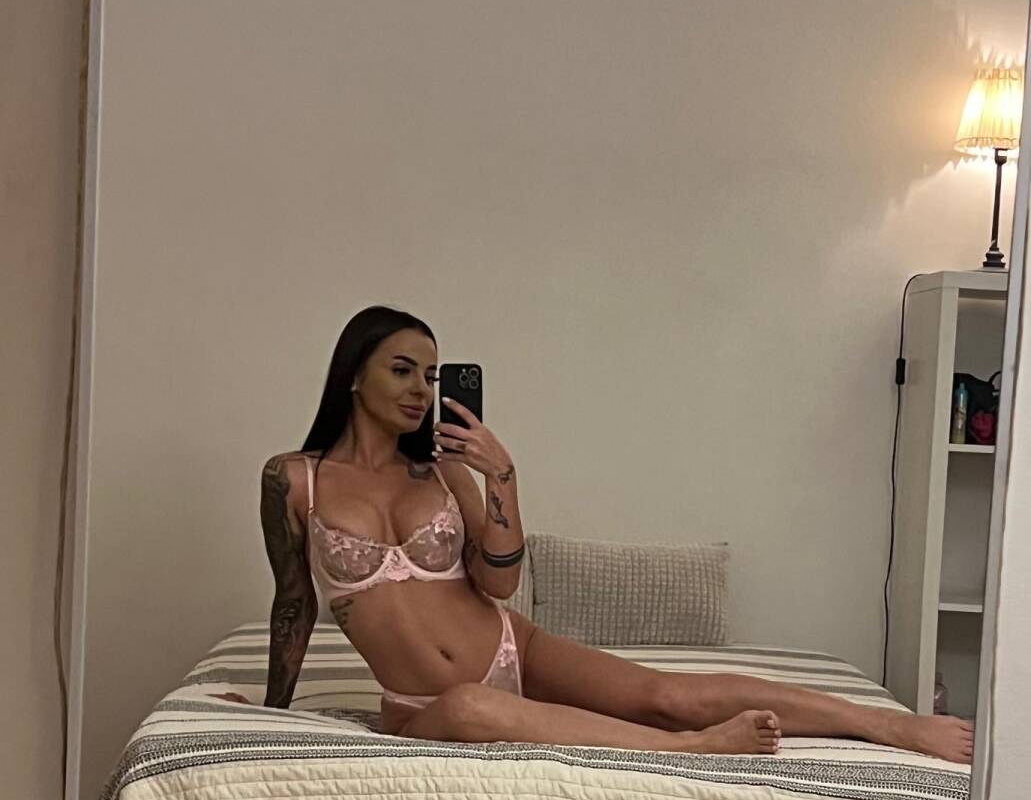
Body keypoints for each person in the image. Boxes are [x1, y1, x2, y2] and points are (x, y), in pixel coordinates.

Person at [217, 305, 974, 763]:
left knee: (665, 692)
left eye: (432, 376)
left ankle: (888, 726)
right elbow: (295, 603)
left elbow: (499, 581)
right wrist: (273, 706)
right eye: (403, 371)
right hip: (425, 705)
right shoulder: (295, 480)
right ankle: (691, 751)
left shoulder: (441, 470)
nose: (422, 391)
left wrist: (500, 475)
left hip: (511, 644)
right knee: (471, 708)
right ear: (354, 375)